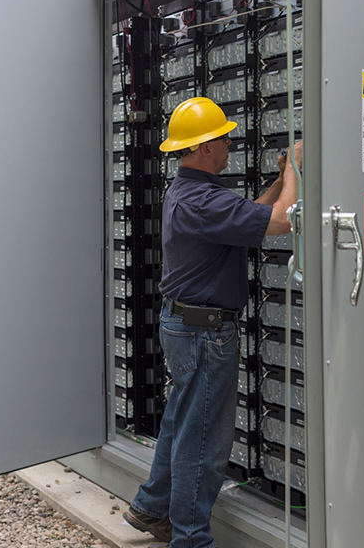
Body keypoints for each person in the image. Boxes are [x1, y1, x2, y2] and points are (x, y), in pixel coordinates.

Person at [123, 97, 302, 547]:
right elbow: (280, 221)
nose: (229, 144)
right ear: (204, 148)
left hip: (184, 326)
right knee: (202, 441)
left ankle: (151, 507)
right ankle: (190, 539)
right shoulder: (203, 201)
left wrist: (280, 180)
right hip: (204, 334)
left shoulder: (189, 192)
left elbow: (251, 220)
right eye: (223, 137)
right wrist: (297, 172)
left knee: (181, 423)